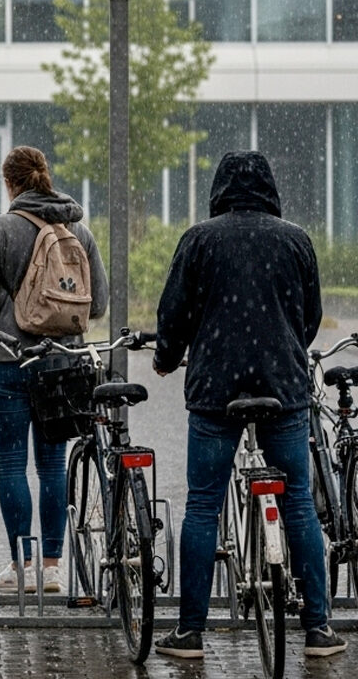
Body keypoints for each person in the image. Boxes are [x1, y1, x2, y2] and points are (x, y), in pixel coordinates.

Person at [152, 150, 346, 659]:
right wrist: (283, 350)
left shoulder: (199, 239)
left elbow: (173, 313)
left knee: (202, 505)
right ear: (270, 189)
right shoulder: (295, 239)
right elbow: (311, 316)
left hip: (217, 391)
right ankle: (318, 629)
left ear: (219, 189)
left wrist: (167, 357)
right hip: (283, 388)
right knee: (298, 501)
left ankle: (190, 632)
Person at [0, 145, 107, 594]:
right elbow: (98, 304)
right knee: (52, 466)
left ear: (10, 183)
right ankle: (51, 567)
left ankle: (20, 564)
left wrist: (5, 322)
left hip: (6, 362)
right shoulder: (77, 231)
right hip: (62, 365)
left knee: (11, 465)